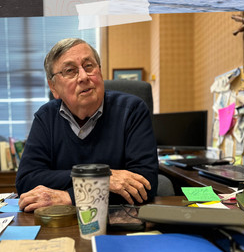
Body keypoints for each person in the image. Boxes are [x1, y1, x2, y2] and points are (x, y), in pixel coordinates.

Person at [15, 38, 158, 212]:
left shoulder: (132, 110)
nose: (83, 77)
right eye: (70, 71)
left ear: (100, 72)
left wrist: (70, 197)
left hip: (117, 223)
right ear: (53, 87)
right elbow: (26, 181)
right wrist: (102, 179)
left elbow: (144, 184)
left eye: (89, 66)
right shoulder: (46, 117)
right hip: (61, 224)